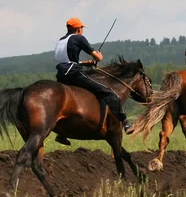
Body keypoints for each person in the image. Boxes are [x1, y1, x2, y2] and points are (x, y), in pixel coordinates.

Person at [54, 17, 134, 145]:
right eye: (82, 28)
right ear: (78, 29)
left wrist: (87, 63)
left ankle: (62, 133)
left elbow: (67, 60)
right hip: (74, 74)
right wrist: (98, 56)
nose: (82, 31)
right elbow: (98, 57)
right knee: (108, 92)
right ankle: (125, 122)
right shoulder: (79, 38)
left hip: (61, 75)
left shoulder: (61, 41)